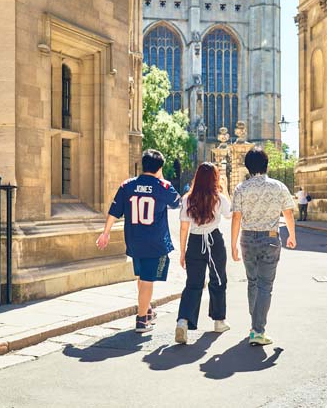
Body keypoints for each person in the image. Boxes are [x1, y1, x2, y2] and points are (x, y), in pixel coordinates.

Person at [97, 149, 181, 333]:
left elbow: (114, 211)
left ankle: (147, 309)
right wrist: (161, 178)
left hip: (134, 240)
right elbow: (177, 203)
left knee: (142, 277)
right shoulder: (163, 186)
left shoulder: (127, 185)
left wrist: (106, 233)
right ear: (159, 167)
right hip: (155, 241)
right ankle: (142, 320)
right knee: (147, 280)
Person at [231, 147, 297, 346]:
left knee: (252, 282)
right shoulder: (278, 186)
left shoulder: (241, 188)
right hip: (269, 239)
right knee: (265, 285)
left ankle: (255, 325)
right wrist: (292, 236)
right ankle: (258, 330)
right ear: (266, 165)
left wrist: (233, 244)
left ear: (248, 167)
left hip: (248, 239)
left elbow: (236, 217)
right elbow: (288, 213)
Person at [175, 162, 232, 344]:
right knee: (218, 279)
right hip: (214, 241)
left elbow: (184, 228)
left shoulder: (187, 199)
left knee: (193, 284)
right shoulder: (219, 198)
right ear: (215, 179)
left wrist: (182, 251)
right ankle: (219, 320)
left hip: (194, 241)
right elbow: (230, 214)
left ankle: (183, 321)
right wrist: (225, 188)